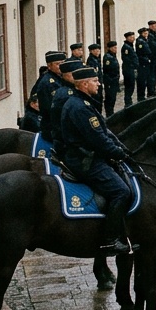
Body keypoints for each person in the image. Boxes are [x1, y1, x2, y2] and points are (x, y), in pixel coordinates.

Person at [59, 67, 133, 255]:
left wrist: (119, 147)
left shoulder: (81, 102)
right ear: (84, 84)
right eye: (94, 81)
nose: (98, 84)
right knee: (121, 191)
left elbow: (103, 132)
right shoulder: (80, 107)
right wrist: (119, 154)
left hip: (85, 155)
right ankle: (111, 241)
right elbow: (97, 140)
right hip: (85, 160)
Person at [100, 41, 120, 117]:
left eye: (116, 47)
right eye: (114, 47)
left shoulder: (112, 56)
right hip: (110, 80)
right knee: (110, 97)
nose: (115, 49)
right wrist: (110, 80)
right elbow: (107, 70)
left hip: (114, 80)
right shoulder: (108, 57)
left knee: (113, 97)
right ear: (110, 48)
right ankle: (109, 113)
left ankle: (111, 112)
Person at [135, 27, 155, 100]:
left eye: (147, 33)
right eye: (145, 33)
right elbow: (142, 52)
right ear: (142, 33)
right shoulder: (140, 41)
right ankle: (141, 96)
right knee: (142, 80)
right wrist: (147, 58)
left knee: (147, 79)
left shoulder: (144, 40)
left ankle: (145, 94)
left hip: (146, 62)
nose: (146, 34)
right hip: (143, 63)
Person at [120, 32, 138, 107]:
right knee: (129, 85)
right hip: (128, 69)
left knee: (131, 85)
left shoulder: (130, 46)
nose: (133, 39)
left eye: (133, 37)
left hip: (131, 68)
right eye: (131, 37)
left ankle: (129, 100)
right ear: (127, 38)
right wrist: (133, 64)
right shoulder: (126, 47)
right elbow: (126, 59)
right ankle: (127, 102)